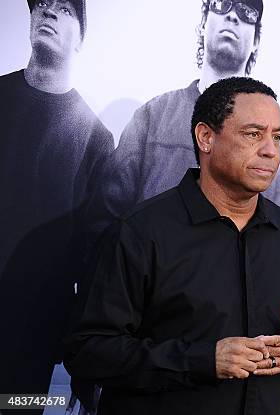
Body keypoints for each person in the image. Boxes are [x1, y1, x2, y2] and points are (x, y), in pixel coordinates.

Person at [64, 77, 280, 415]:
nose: (270, 150)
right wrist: (202, 360)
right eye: (254, 134)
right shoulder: (140, 233)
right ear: (206, 137)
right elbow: (89, 351)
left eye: (277, 136)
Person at [86, 0, 280, 247]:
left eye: (247, 12)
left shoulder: (279, 145)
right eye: (222, 4)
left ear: (256, 40)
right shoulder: (152, 118)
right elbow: (103, 222)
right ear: (204, 23)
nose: (233, 16)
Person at [0, 0, 113, 411]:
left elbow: (93, 253)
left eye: (64, 9)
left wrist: (84, 357)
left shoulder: (96, 138)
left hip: (33, 339)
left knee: (17, 407)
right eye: (42, 4)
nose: (48, 12)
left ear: (81, 36)